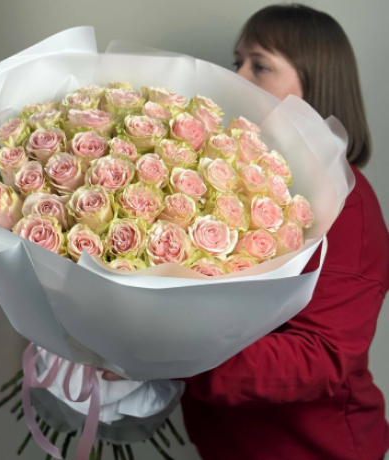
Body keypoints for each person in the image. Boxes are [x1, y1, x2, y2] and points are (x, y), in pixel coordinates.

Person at [103, 4, 389, 459]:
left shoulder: (348, 205)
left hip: (313, 450)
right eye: (237, 62)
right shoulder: (234, 178)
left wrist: (168, 358)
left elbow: (321, 357)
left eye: (260, 65)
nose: (236, 76)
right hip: (227, 443)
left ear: (315, 83)